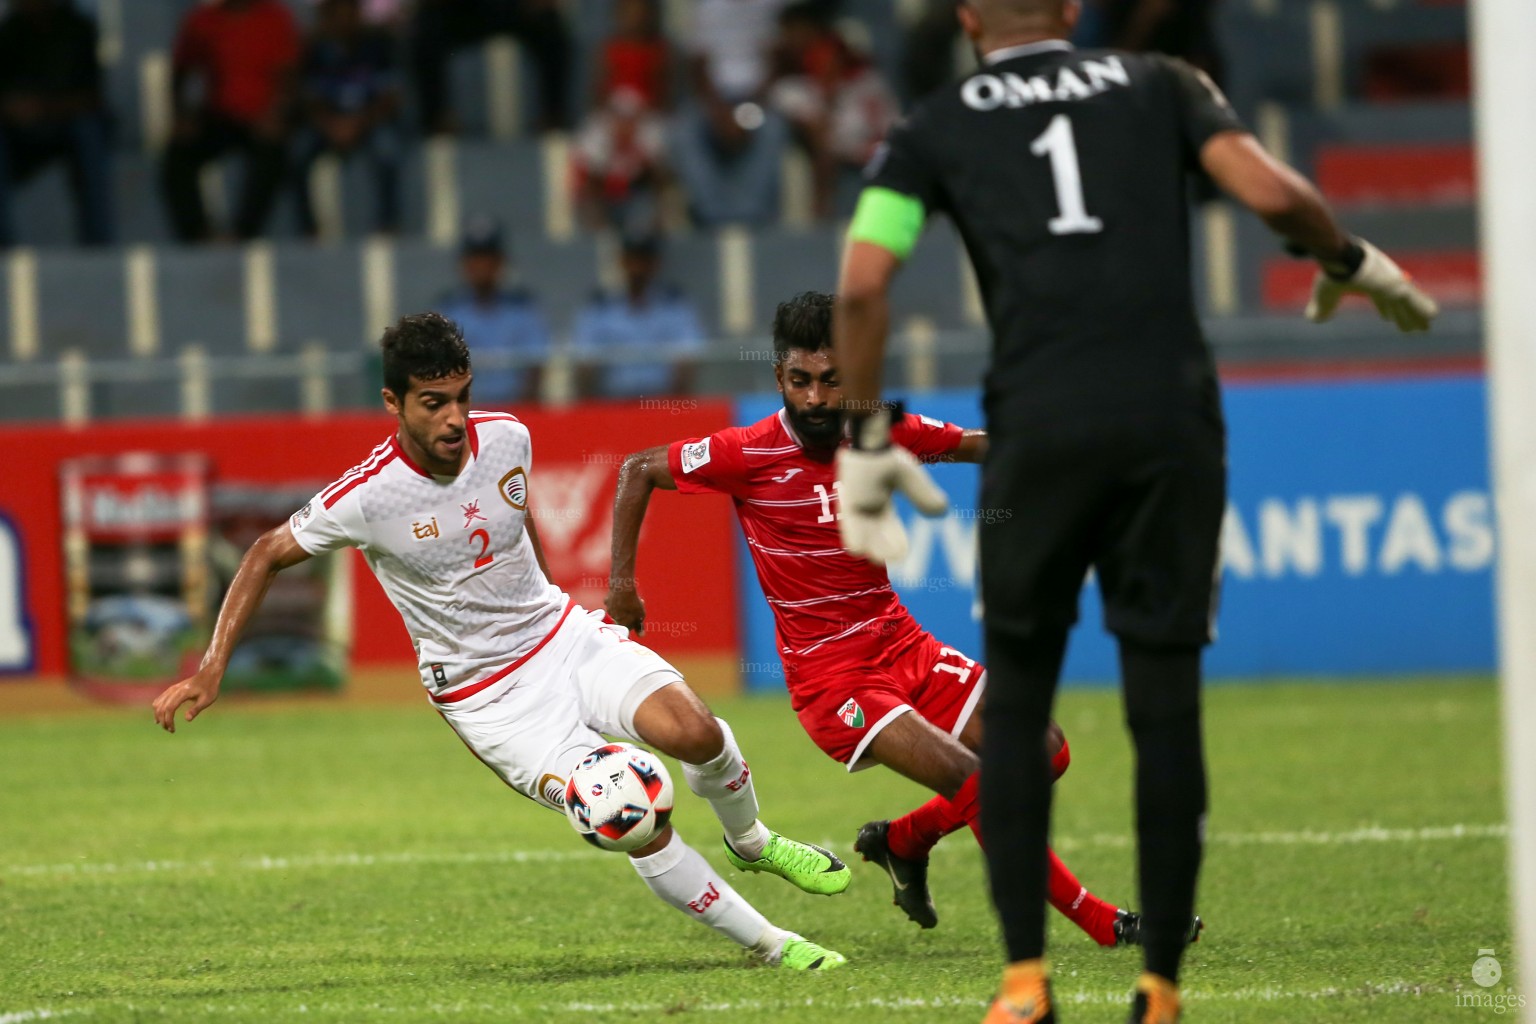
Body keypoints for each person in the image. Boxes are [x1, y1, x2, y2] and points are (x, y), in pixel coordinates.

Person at [828, 2, 1438, 1021]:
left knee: (1015, 712)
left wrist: (870, 440)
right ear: (1071, 8)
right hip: (1169, 428)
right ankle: (1158, 991)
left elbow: (860, 286)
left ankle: (1025, 984)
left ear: (970, 16)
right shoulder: (1162, 84)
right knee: (1166, 707)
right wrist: (1348, 261)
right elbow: (1273, 193)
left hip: (1038, 432)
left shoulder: (933, 125)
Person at [151, 312, 851, 973]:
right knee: (622, 813)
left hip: (559, 635)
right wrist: (212, 669)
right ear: (392, 402)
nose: (454, 418)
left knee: (696, 732)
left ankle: (752, 842)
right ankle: (773, 945)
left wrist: (563, 608)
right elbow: (264, 553)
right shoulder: (367, 498)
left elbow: (516, 519)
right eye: (432, 403)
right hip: (490, 698)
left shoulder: (509, 437)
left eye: (461, 397)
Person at [605, 291, 1186, 949]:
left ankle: (903, 842)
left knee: (1046, 751)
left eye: (831, 380)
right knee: (979, 783)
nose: (817, 398)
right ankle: (1107, 924)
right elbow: (639, 468)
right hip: (835, 681)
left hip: (900, 642)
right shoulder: (746, 452)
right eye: (801, 381)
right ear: (780, 380)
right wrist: (622, 583)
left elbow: (970, 445)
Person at [161, 0, 300, 243]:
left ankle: (244, 234)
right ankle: (198, 235)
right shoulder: (202, 20)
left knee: (273, 157)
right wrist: (181, 116)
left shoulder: (274, 18)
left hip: (262, 117)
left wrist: (276, 114)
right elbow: (180, 71)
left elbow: (290, 75)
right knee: (177, 156)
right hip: (220, 115)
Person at [0, 0, 114, 247]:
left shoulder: (78, 29)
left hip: (68, 129)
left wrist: (42, 107)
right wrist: (13, 108)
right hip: (18, 135)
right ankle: (3, 244)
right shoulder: (8, 32)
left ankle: (98, 242)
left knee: (89, 131)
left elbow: (92, 98)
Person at [293, 0, 404, 237]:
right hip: (328, 124)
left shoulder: (379, 43)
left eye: (349, 12)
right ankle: (309, 230)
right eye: (338, 13)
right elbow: (307, 98)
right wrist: (331, 125)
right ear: (328, 15)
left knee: (388, 150)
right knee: (297, 152)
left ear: (358, 13)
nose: (344, 20)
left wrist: (358, 123)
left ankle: (388, 224)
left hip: (369, 121)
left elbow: (391, 96)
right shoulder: (315, 48)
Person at [572, 229, 705, 400]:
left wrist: (675, 408)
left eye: (644, 261)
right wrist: (590, 410)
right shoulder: (599, 308)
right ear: (621, 261)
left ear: (655, 264)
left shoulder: (675, 305)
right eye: (632, 260)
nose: (637, 268)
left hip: (662, 403)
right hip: (612, 405)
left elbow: (687, 358)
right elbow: (584, 361)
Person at [435, 217, 550, 407]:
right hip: (463, 412)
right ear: (463, 264)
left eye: (488, 259)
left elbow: (535, 367)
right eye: (475, 259)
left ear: (501, 262)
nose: (481, 266)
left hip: (515, 411)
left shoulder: (522, 308)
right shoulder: (448, 312)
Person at [410, 0, 572, 134]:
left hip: (514, 7)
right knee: (426, 30)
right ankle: (436, 120)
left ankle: (553, 116)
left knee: (551, 26)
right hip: (463, 10)